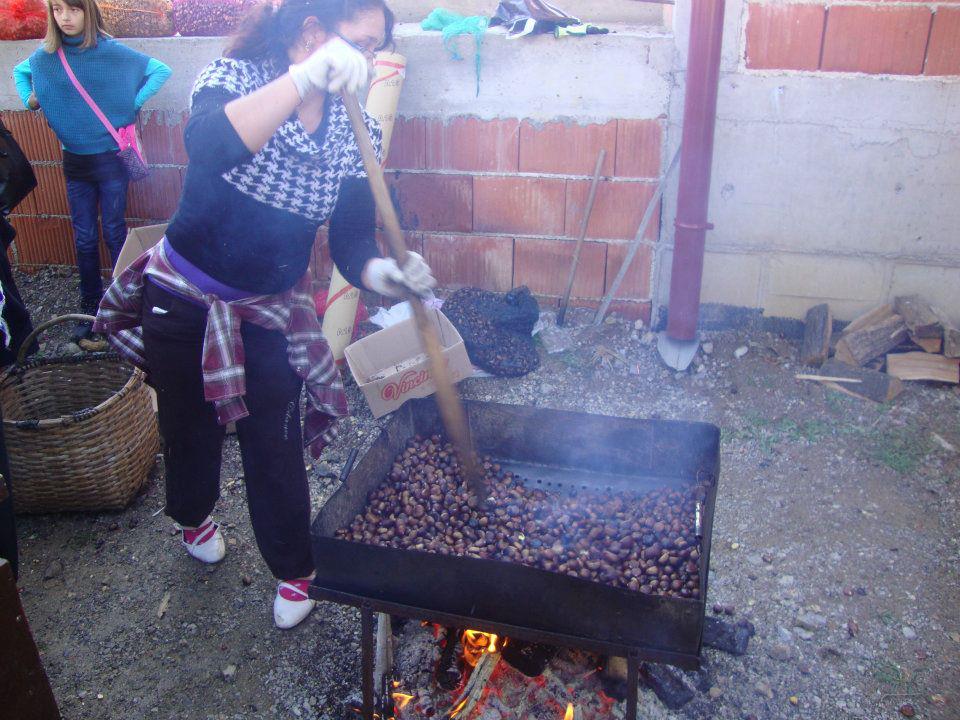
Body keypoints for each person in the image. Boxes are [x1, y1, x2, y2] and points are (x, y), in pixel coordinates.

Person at [94, 0, 436, 630]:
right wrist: (304, 80)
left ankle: (294, 568)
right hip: (182, 295)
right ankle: (193, 517)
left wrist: (386, 274)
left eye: (373, 49)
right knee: (187, 425)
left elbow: (354, 240)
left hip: (271, 312)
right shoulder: (235, 78)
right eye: (356, 44)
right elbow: (208, 144)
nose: (365, 62)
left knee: (273, 441)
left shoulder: (356, 127)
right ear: (312, 32)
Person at [12, 0, 171, 346]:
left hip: (112, 159)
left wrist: (129, 105)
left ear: (88, 11)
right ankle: (90, 306)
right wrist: (31, 101)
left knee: (115, 232)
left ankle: (122, 307)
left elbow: (160, 69)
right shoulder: (45, 56)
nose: (65, 17)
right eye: (57, 10)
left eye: (73, 9)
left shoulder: (109, 50)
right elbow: (20, 73)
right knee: (83, 238)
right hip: (75, 162)